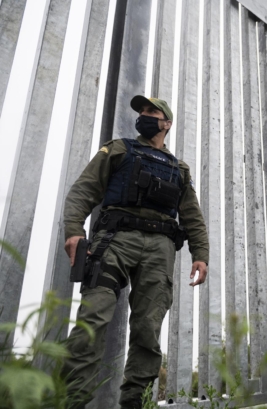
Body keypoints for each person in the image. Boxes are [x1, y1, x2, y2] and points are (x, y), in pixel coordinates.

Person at [61, 95, 209, 409]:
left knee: (148, 328)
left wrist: (201, 254)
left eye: (151, 112)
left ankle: (134, 402)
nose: (143, 115)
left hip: (160, 249)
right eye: (141, 111)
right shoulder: (118, 150)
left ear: (166, 123)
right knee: (93, 317)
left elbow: (192, 215)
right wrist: (74, 230)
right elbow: (84, 189)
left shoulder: (178, 169)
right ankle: (73, 400)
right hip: (115, 240)